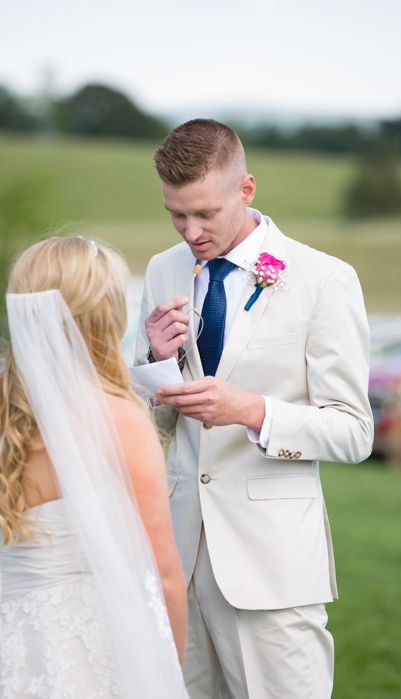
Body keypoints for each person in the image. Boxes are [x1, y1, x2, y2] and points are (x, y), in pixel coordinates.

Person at [135, 119, 373, 699]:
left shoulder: (324, 280)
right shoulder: (161, 270)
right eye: (175, 214)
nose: (190, 232)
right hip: (176, 555)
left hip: (272, 564)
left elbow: (354, 431)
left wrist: (253, 411)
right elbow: (149, 424)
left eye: (204, 214)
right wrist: (150, 360)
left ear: (246, 190)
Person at [0, 237, 188, 698]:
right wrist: (169, 672)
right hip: (94, 649)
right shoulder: (119, 421)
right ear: (104, 316)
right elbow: (162, 575)